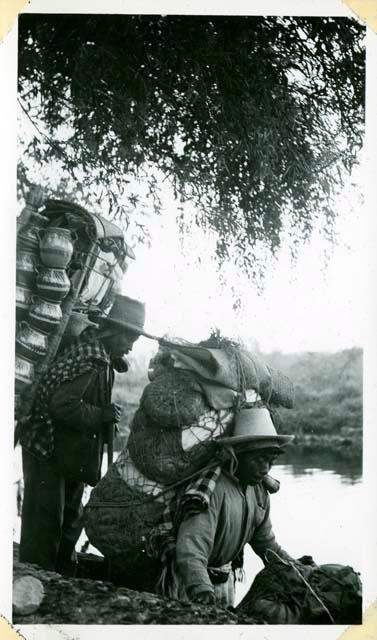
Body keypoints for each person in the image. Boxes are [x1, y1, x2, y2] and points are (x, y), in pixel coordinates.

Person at [19, 294, 154, 575]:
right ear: (113, 331)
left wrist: (103, 418)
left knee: (69, 522)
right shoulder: (90, 357)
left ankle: (59, 578)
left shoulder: (103, 359)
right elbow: (62, 405)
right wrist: (100, 415)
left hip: (69, 458)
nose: (130, 347)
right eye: (129, 339)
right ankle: (35, 583)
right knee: (46, 525)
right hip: (49, 450)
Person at [162, 406, 295, 607]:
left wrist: (295, 568)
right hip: (188, 584)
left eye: (270, 461)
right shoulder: (209, 492)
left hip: (225, 581)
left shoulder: (258, 492)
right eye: (259, 460)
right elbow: (192, 550)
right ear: (236, 456)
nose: (265, 469)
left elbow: (266, 544)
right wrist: (202, 591)